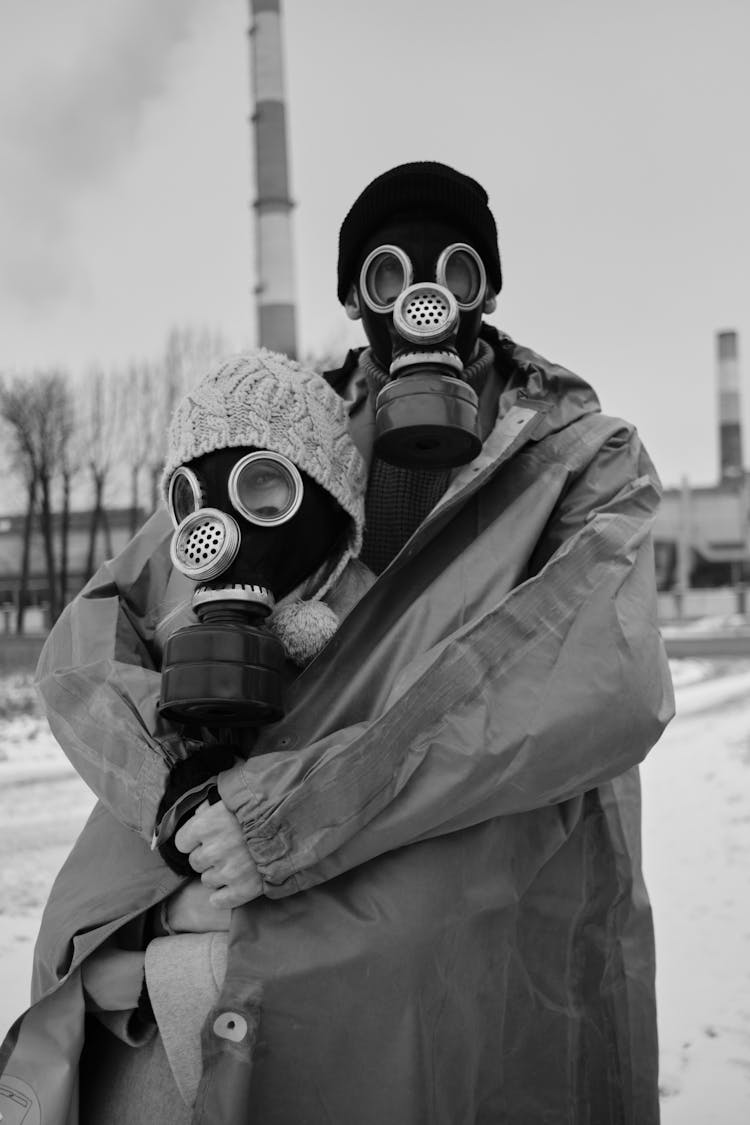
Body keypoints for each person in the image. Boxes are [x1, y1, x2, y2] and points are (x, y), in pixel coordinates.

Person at [0, 161, 674, 1125]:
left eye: (454, 272)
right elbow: (97, 637)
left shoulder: (579, 459)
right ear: (353, 295)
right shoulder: (280, 437)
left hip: (481, 827)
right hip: (245, 823)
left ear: (486, 289)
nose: (420, 304)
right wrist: (179, 789)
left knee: (440, 1024)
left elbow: (591, 680)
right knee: (106, 945)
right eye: (387, 278)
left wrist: (295, 815)